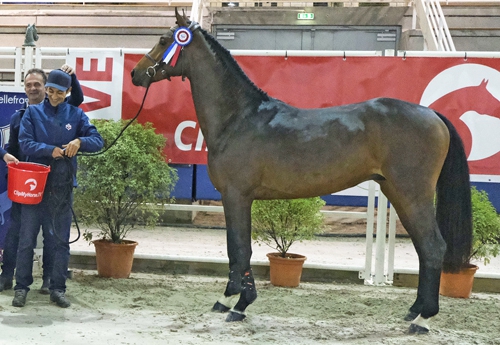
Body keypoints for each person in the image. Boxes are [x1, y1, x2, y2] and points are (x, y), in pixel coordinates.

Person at [13, 69, 103, 308]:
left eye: (59, 92)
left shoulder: (77, 114)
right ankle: (21, 287)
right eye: (50, 91)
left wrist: (80, 141)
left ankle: (57, 288)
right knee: (26, 239)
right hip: (34, 186)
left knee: (60, 241)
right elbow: (25, 143)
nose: (53, 96)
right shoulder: (32, 112)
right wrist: (48, 149)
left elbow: (98, 141)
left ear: (68, 92)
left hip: (62, 188)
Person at [0, 66, 83, 295]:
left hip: (54, 183)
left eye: (37, 84)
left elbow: (77, 98)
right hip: (23, 183)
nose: (32, 88)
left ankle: (48, 279)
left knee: (51, 234)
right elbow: (15, 147)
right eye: (28, 85)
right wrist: (5, 155)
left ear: (47, 88)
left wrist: (72, 77)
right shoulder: (20, 116)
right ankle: (7, 275)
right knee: (18, 232)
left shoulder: (67, 111)